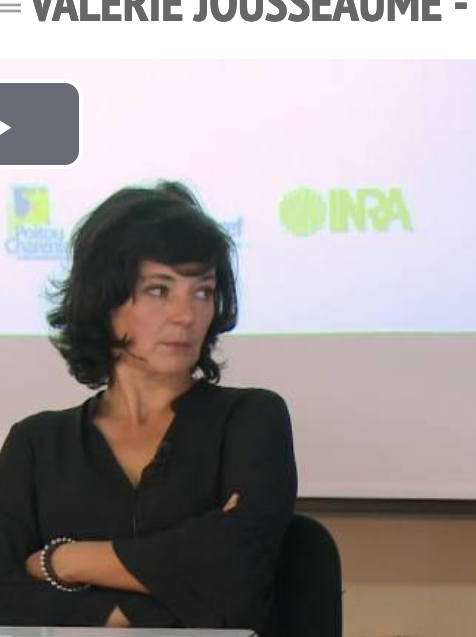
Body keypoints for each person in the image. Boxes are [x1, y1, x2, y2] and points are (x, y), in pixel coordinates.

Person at [0, 182, 297, 634]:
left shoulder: (252, 419)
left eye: (203, 291)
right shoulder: (36, 444)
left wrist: (65, 560)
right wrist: (154, 605)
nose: (186, 315)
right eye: (159, 290)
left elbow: (237, 575)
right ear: (104, 299)